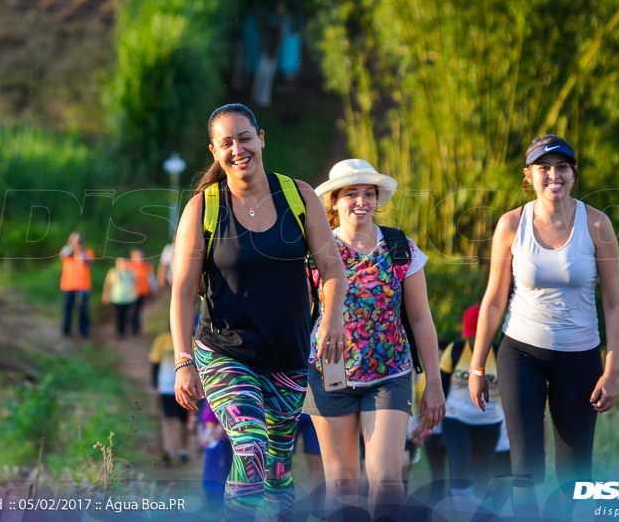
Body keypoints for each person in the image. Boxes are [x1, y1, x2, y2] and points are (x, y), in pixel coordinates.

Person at [170, 103, 348, 519]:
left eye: (244, 137)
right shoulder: (203, 208)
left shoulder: (298, 195)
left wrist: (332, 321)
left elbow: (332, 269)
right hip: (224, 352)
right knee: (250, 445)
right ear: (214, 151)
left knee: (277, 469)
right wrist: (182, 361)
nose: (238, 149)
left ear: (261, 137)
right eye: (226, 142)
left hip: (287, 354)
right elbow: (181, 293)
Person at [468, 135, 619, 493]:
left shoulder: (598, 225)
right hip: (521, 352)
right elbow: (493, 299)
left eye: (562, 167)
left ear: (573, 174)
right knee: (525, 465)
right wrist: (477, 366)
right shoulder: (511, 225)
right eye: (544, 168)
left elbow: (614, 303)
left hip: (581, 357)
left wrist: (612, 369)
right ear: (528, 176)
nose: (553, 175)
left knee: (575, 472)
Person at [304, 159, 446, 517]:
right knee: (342, 482)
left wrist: (434, 381)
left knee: (386, 478)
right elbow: (297, 318)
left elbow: (420, 318)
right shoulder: (316, 253)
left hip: (391, 375)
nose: (361, 201)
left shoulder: (399, 248)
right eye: (351, 194)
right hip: (329, 375)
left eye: (369, 193)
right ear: (334, 202)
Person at [439, 305, 503, 500]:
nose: (477, 340)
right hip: (455, 418)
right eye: (473, 336)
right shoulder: (455, 350)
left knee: (483, 475)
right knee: (461, 468)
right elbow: (441, 385)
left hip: (489, 421)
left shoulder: (501, 353)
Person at [150, 325, 190, 465]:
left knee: (184, 421)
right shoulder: (161, 340)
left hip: (185, 387)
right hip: (166, 387)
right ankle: (168, 451)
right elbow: (154, 363)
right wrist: (154, 385)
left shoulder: (190, 340)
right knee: (168, 420)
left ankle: (183, 451)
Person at [58, 232, 94, 338]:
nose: (76, 242)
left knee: (83, 310)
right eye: (73, 240)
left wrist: (80, 250)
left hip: (83, 286)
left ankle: (84, 332)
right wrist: (72, 247)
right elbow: (64, 255)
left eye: (78, 240)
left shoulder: (87, 252)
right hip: (68, 286)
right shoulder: (66, 250)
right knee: (67, 309)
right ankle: (66, 330)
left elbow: (88, 261)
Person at [102, 257, 137, 340]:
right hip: (117, 299)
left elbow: (134, 283)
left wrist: (135, 293)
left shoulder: (130, 273)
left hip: (128, 299)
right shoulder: (113, 272)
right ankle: (119, 332)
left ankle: (123, 331)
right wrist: (106, 295)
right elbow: (108, 284)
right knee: (118, 316)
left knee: (126, 316)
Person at [127, 248, 156, 335]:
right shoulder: (129, 266)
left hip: (143, 292)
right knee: (133, 309)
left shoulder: (146, 266)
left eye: (139, 255)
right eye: (136, 256)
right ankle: (133, 326)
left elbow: (151, 279)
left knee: (138, 310)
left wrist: (153, 290)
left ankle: (135, 327)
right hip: (132, 292)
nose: (138, 257)